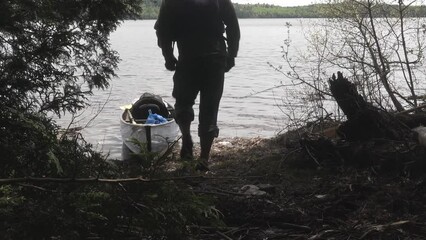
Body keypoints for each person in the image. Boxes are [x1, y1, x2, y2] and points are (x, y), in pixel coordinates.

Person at [154, 0, 240, 170]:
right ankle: (203, 158)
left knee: (183, 103)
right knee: (210, 108)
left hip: (188, 59)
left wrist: (168, 56)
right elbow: (233, 26)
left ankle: (187, 139)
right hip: (215, 60)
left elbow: (162, 29)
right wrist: (231, 55)